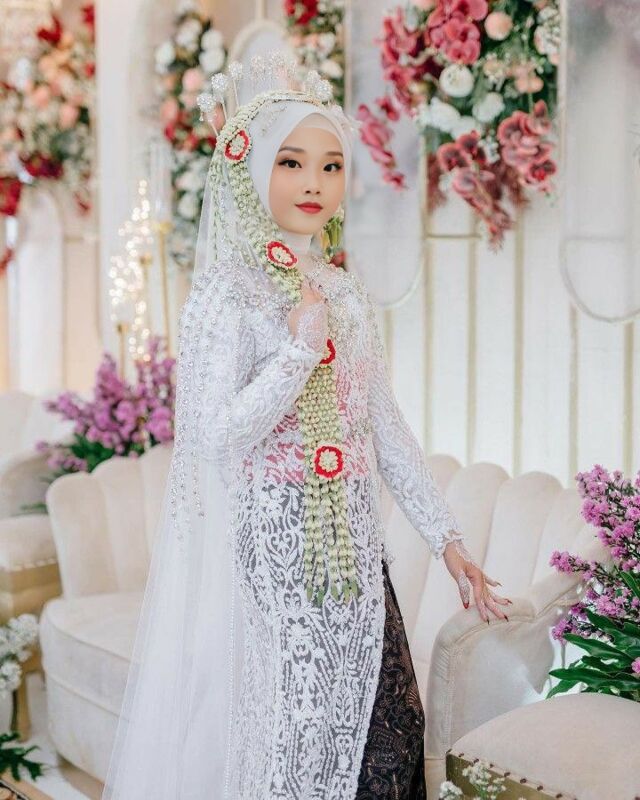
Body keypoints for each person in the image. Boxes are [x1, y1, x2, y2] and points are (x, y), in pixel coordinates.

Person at [100, 54, 511, 800]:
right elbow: (215, 435)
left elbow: (384, 426)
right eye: (292, 162)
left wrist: (449, 543)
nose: (314, 182)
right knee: (296, 743)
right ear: (253, 170)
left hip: (354, 555)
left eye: (330, 165)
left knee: (391, 738)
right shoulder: (227, 292)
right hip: (275, 555)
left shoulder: (342, 292)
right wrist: (296, 353)